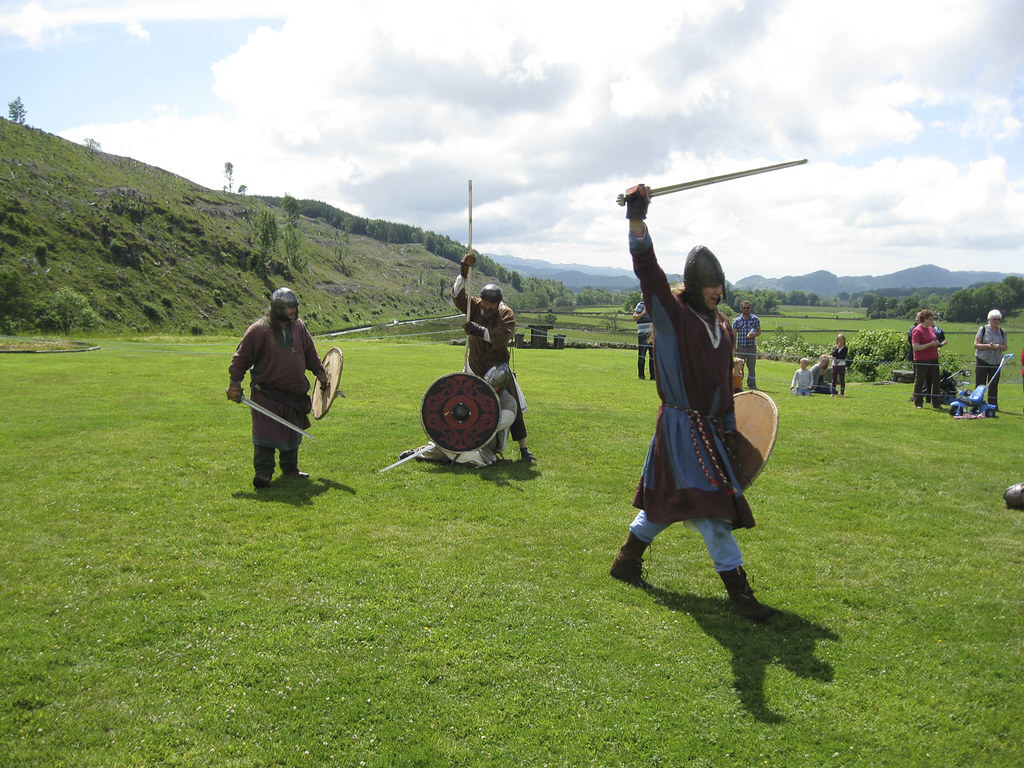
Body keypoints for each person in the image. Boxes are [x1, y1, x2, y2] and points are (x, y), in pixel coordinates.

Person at [609, 183, 777, 623]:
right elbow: (647, 270)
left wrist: (727, 424)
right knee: (713, 511)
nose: (718, 294)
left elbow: (724, 381)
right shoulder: (672, 316)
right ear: (697, 285)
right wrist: (637, 218)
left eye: (721, 287)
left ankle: (626, 561)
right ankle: (739, 595)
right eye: (711, 288)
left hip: (707, 427)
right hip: (680, 426)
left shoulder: (722, 326)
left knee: (665, 502)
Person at [227, 287, 329, 488]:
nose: (293, 311)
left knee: (292, 432)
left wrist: (320, 372)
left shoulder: (299, 326)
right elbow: (240, 359)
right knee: (266, 434)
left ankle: (290, 469)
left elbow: (309, 351)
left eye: (294, 307)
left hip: (294, 393)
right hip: (267, 394)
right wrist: (234, 384)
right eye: (288, 307)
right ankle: (263, 473)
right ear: (276, 309)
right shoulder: (258, 330)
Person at [452, 253, 536, 462]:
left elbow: (503, 334)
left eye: (491, 304)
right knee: (465, 404)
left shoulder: (506, 313)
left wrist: (478, 330)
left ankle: (524, 450)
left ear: (497, 302)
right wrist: (463, 272)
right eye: (485, 303)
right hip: (474, 365)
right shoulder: (476, 306)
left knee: (513, 407)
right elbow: (457, 296)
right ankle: (463, 441)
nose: (487, 307)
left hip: (498, 370)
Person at [400, 364, 518, 467]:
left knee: (471, 457)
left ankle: (453, 455)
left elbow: (492, 425)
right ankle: (418, 452)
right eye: (488, 384)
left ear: (501, 387)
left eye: (495, 386)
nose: (491, 387)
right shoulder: (478, 392)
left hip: (485, 447)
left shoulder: (508, 403)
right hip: (459, 435)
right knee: (445, 448)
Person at [911, 309, 946, 409]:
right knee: (920, 380)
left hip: (933, 358)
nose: (932, 320)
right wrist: (930, 344)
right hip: (922, 359)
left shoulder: (931, 329)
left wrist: (939, 344)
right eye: (930, 319)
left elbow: (934, 341)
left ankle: (936, 402)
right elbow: (916, 347)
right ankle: (918, 402)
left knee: (936, 380)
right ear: (924, 319)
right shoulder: (917, 330)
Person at [973, 309, 1008, 411]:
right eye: (994, 319)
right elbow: (976, 344)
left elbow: (1005, 347)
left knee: (993, 384)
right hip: (982, 359)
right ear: (989, 319)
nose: (997, 321)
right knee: (980, 383)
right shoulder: (983, 329)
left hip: (996, 361)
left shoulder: (1002, 332)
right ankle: (977, 404)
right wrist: (988, 346)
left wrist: (999, 347)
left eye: (998, 319)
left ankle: (993, 406)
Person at [731, 300, 761, 390]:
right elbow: (733, 334)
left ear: (750, 308)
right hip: (741, 346)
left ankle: (752, 385)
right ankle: (738, 384)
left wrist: (754, 335)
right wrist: (734, 347)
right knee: (739, 367)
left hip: (751, 346)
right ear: (741, 308)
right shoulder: (737, 320)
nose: (746, 309)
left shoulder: (755, 319)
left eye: (747, 308)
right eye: (744, 308)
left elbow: (759, 331)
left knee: (751, 367)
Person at [633, 299, 655, 380]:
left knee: (653, 356)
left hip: (653, 335)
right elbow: (634, 317)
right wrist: (644, 313)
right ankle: (641, 375)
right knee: (642, 355)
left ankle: (653, 376)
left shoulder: (654, 305)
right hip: (643, 335)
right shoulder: (640, 305)